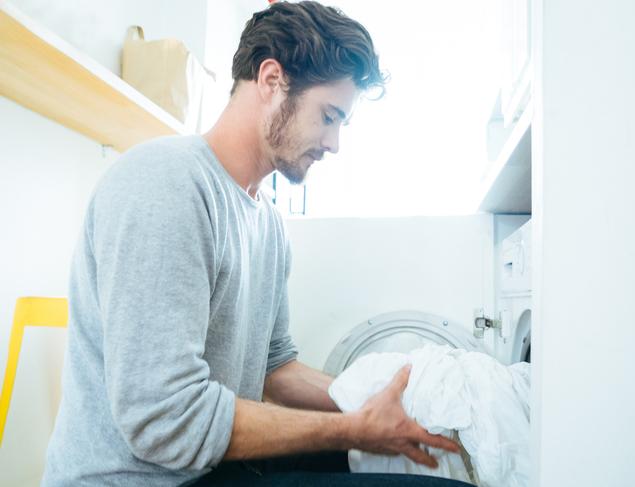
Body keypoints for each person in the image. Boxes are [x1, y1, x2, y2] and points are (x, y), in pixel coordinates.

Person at [42, 2, 471, 486]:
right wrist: (353, 429)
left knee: (416, 468)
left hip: (211, 469)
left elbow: (275, 369)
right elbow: (164, 420)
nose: (334, 144)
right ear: (271, 80)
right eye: (328, 116)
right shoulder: (165, 185)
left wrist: (384, 398)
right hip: (135, 479)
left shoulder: (267, 222)